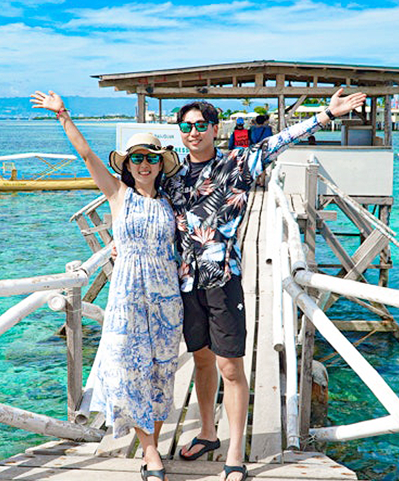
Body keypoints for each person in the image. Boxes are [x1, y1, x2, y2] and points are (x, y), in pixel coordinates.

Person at [163, 88, 366, 481]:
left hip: (223, 280)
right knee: (201, 359)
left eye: (200, 125)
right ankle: (208, 434)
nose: (193, 132)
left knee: (230, 366)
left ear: (215, 128)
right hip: (186, 284)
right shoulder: (173, 177)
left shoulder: (237, 164)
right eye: (186, 127)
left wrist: (327, 115)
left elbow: (281, 140)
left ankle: (235, 452)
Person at [30, 90, 182, 481]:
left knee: (161, 374)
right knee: (129, 371)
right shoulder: (118, 194)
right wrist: (63, 115)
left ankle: (151, 447)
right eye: (137, 158)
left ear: (160, 164)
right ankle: (151, 453)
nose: (144, 164)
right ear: (127, 164)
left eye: (151, 158)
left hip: (167, 300)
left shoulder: (171, 203)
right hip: (128, 296)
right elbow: (86, 156)